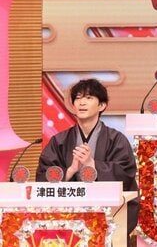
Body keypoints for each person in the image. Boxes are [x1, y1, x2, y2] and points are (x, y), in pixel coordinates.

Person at [36, 79, 138, 234]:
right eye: (77, 98)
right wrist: (69, 171)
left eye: (88, 98)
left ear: (102, 105)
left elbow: (126, 175)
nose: (81, 102)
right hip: (68, 215)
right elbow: (43, 176)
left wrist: (93, 165)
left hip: (108, 214)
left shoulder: (116, 139)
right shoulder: (59, 141)